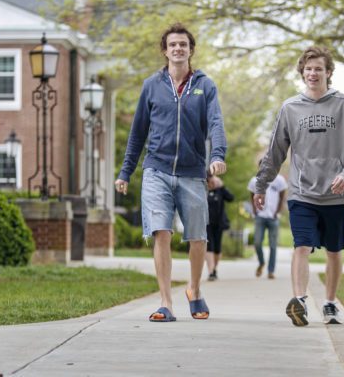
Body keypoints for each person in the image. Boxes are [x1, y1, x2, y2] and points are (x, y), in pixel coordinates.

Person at [115, 23, 227, 322]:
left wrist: (217, 155)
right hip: (156, 169)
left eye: (183, 44)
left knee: (198, 237)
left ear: (191, 50)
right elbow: (138, 132)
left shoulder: (206, 85)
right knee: (160, 231)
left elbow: (216, 123)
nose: (178, 48)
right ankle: (165, 302)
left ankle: (194, 288)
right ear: (164, 51)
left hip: (192, 172)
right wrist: (125, 172)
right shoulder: (152, 86)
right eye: (173, 44)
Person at [253, 46, 344, 326]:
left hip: (337, 195)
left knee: (333, 250)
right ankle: (300, 301)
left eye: (318, 68)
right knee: (301, 246)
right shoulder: (290, 108)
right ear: (302, 73)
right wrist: (261, 184)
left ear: (329, 72)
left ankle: (329, 304)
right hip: (302, 192)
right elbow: (275, 151)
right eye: (308, 69)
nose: (313, 73)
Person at [247, 171, 287, 279]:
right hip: (260, 216)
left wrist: (278, 212)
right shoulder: (254, 180)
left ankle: (271, 271)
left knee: (273, 245)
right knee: (257, 242)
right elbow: (251, 196)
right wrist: (254, 210)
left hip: (273, 217)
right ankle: (261, 262)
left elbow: (282, 197)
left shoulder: (279, 180)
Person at [206, 175, 234, 281]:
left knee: (217, 248)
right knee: (209, 246)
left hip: (219, 224)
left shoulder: (220, 191)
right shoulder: (204, 191)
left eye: (213, 181)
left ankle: (214, 269)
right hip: (207, 223)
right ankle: (211, 271)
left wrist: (222, 186)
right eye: (209, 181)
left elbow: (231, 198)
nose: (211, 183)